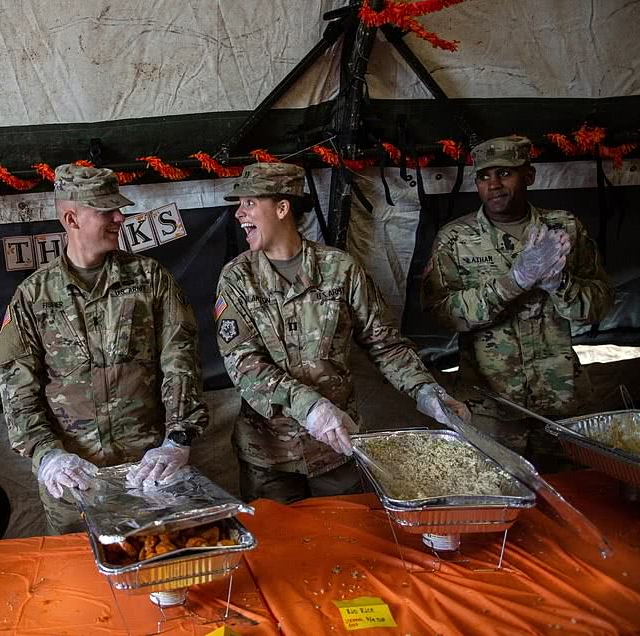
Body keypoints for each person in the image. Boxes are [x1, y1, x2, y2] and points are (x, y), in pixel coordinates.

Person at [215, 162, 470, 504]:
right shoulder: (236, 278)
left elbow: (386, 345)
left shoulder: (341, 269)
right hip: (268, 457)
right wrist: (310, 408)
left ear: (281, 207)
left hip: (335, 451)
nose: (239, 214)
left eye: (248, 203)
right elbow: (243, 364)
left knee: (347, 541)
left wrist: (426, 391)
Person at [0, 164, 208, 534]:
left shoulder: (150, 279)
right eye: (106, 210)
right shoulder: (33, 297)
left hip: (149, 474)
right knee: (76, 584)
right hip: (74, 486)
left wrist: (178, 438)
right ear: (71, 218)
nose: (119, 218)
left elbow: (181, 363)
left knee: (155, 571)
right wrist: (48, 455)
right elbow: (18, 393)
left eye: (118, 208)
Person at [422, 135, 614, 469]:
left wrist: (559, 283)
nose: (493, 185)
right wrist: (512, 283)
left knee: (569, 498)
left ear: (529, 176)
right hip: (489, 409)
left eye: (504, 173)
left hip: (560, 402)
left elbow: (596, 306)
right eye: (484, 176)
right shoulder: (455, 238)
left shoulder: (563, 228)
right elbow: (442, 314)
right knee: (494, 501)